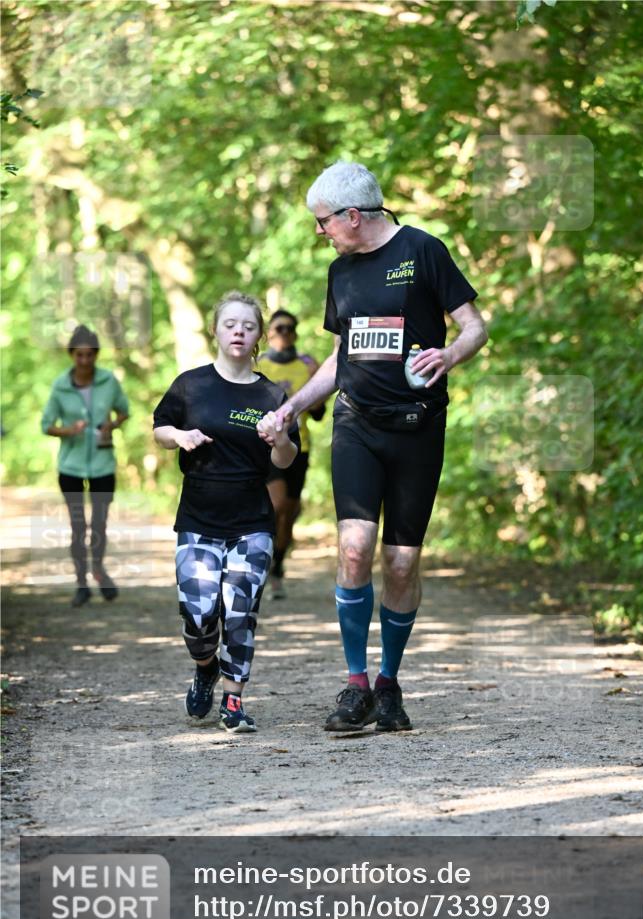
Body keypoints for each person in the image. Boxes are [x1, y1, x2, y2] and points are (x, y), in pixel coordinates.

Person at [265, 161, 488, 734]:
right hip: (356, 425)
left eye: (323, 222)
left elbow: (474, 326)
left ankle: (389, 682)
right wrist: (292, 406)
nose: (320, 231)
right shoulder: (340, 273)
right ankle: (356, 684)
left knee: (401, 562)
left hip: (417, 428)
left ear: (352, 216)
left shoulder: (424, 251)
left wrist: (449, 355)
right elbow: (341, 357)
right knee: (355, 549)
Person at [153, 291, 299, 733]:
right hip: (198, 519)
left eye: (248, 326)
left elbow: (286, 459)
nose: (239, 332)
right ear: (215, 331)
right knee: (198, 618)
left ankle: (233, 702)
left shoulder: (272, 393)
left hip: (252, 522)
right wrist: (179, 437)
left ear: (258, 337)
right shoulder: (190, 385)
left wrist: (280, 439)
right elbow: (160, 429)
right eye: (230, 324)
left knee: (241, 611)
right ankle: (205, 667)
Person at [41, 324, 129, 607]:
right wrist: (69, 430)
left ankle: (99, 572)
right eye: (79, 355)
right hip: (71, 467)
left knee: (100, 525)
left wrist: (112, 424)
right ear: (72, 355)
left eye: (90, 355)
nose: (84, 360)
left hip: (103, 463)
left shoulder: (108, 381)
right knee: (78, 526)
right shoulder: (60, 385)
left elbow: (124, 411)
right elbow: (46, 425)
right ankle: (82, 584)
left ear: (96, 355)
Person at [255, 309, 325, 598]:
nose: (284, 333)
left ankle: (278, 565)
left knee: (289, 513)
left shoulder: (307, 365)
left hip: (300, 447)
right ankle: (262, 559)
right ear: (269, 333)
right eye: (278, 328)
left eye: (289, 328)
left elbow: (319, 414)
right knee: (278, 504)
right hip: (266, 446)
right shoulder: (258, 364)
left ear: (295, 333)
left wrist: (316, 380)